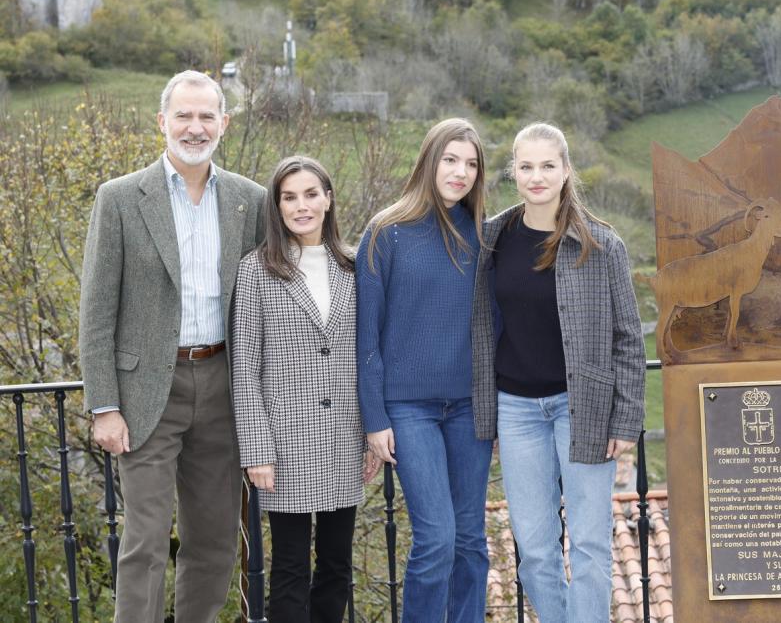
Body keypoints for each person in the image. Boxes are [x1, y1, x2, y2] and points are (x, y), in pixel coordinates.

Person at [78, 70, 265, 622]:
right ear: (162, 121)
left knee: (214, 543)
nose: (195, 126)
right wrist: (104, 404)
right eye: (183, 115)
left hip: (223, 388)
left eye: (207, 115)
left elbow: (263, 302)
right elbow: (96, 310)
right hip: (144, 395)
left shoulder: (248, 201)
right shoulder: (118, 199)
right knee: (145, 543)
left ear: (224, 124)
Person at [471, 122, 646, 622]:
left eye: (548, 165)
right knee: (536, 548)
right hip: (516, 411)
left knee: (591, 542)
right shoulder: (492, 240)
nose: (537, 176)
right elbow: (480, 331)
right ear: (514, 173)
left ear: (566, 170)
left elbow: (629, 339)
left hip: (583, 409)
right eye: (526, 166)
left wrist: (625, 419)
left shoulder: (602, 245)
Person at [231, 156, 379, 622]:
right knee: (290, 568)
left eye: (311, 194)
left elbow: (371, 356)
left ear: (328, 199)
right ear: (276, 207)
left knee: (336, 566)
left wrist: (373, 432)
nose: (301, 206)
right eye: (289, 197)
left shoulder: (356, 267)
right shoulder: (257, 270)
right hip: (286, 444)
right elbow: (245, 369)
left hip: (344, 439)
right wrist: (257, 449)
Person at [357, 118, 493, 622]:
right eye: (451, 159)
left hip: (470, 408)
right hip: (408, 409)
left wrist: (494, 409)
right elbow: (365, 337)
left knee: (470, 540)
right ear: (429, 161)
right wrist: (374, 421)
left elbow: (493, 330)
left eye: (471, 164)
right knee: (435, 538)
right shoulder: (385, 232)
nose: (460, 172)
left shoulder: (484, 235)